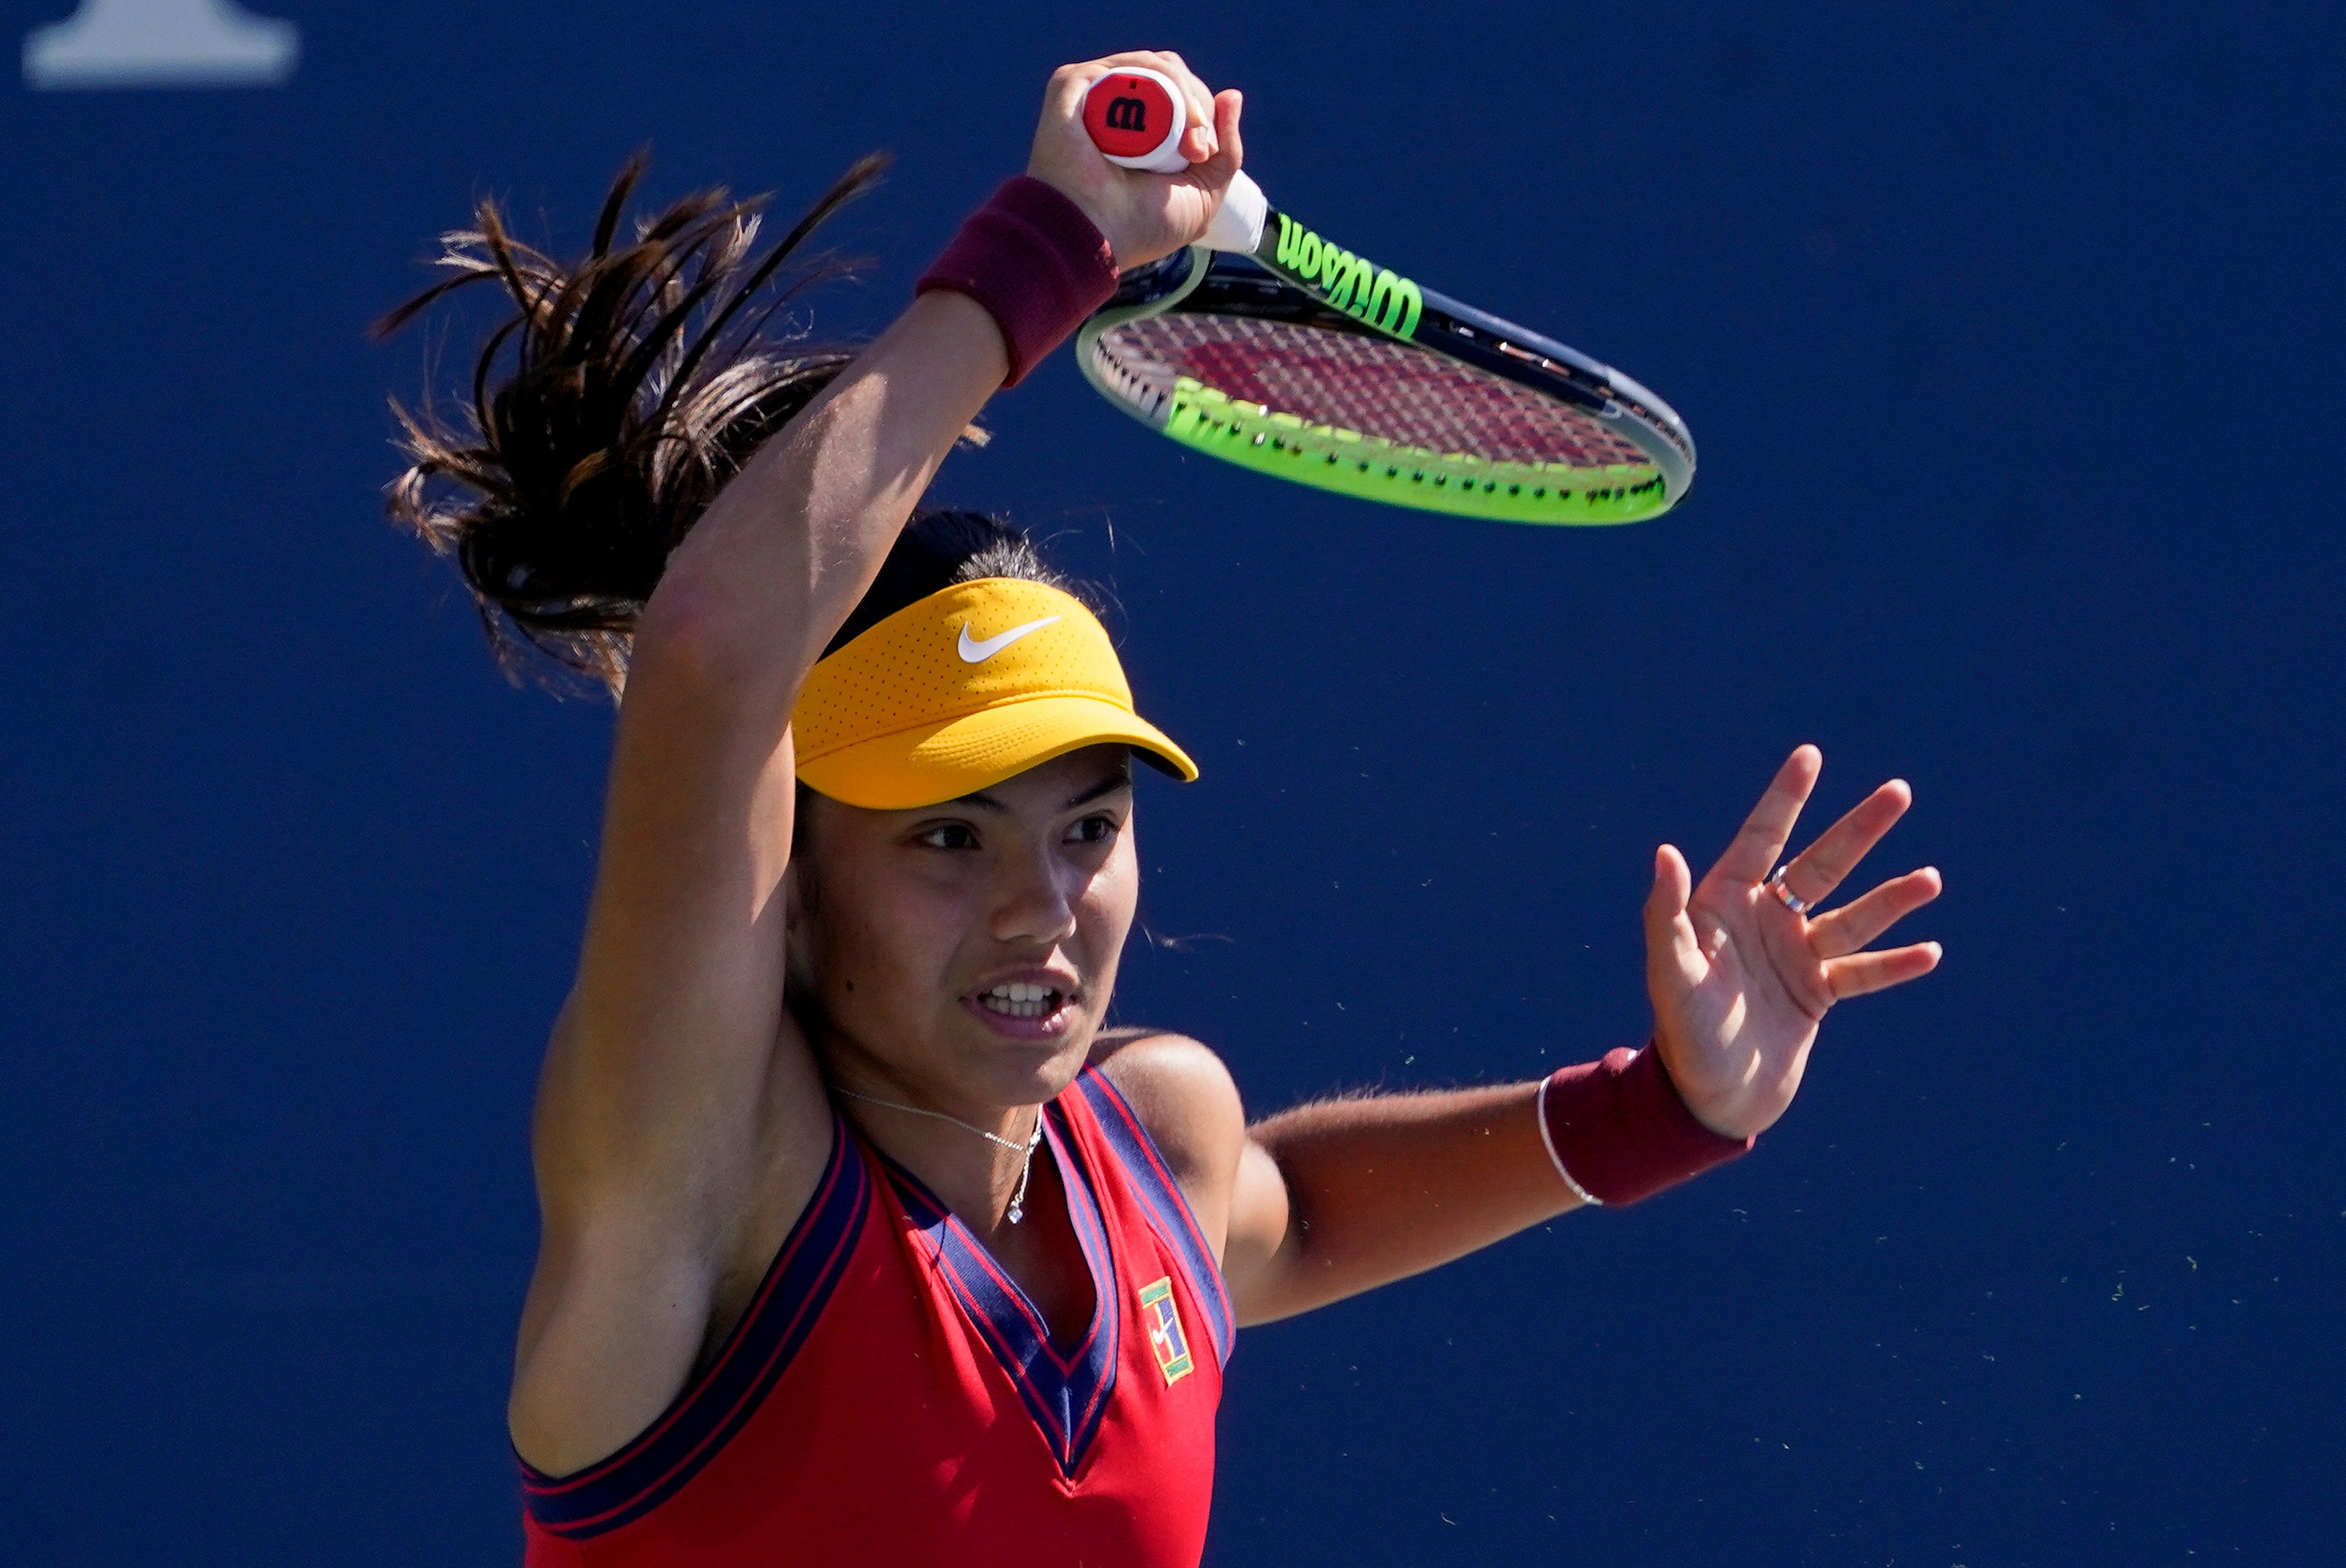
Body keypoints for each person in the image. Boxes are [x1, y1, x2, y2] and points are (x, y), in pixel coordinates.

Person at [380, 50, 1942, 1568]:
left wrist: (1670, 1105)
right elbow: (717, 656)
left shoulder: (1157, 1153)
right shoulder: (699, 1168)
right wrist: (1056, 246)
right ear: (790, 873)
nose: (1037, 901)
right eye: (946, 833)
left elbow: (1295, 1213)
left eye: (1086, 825)